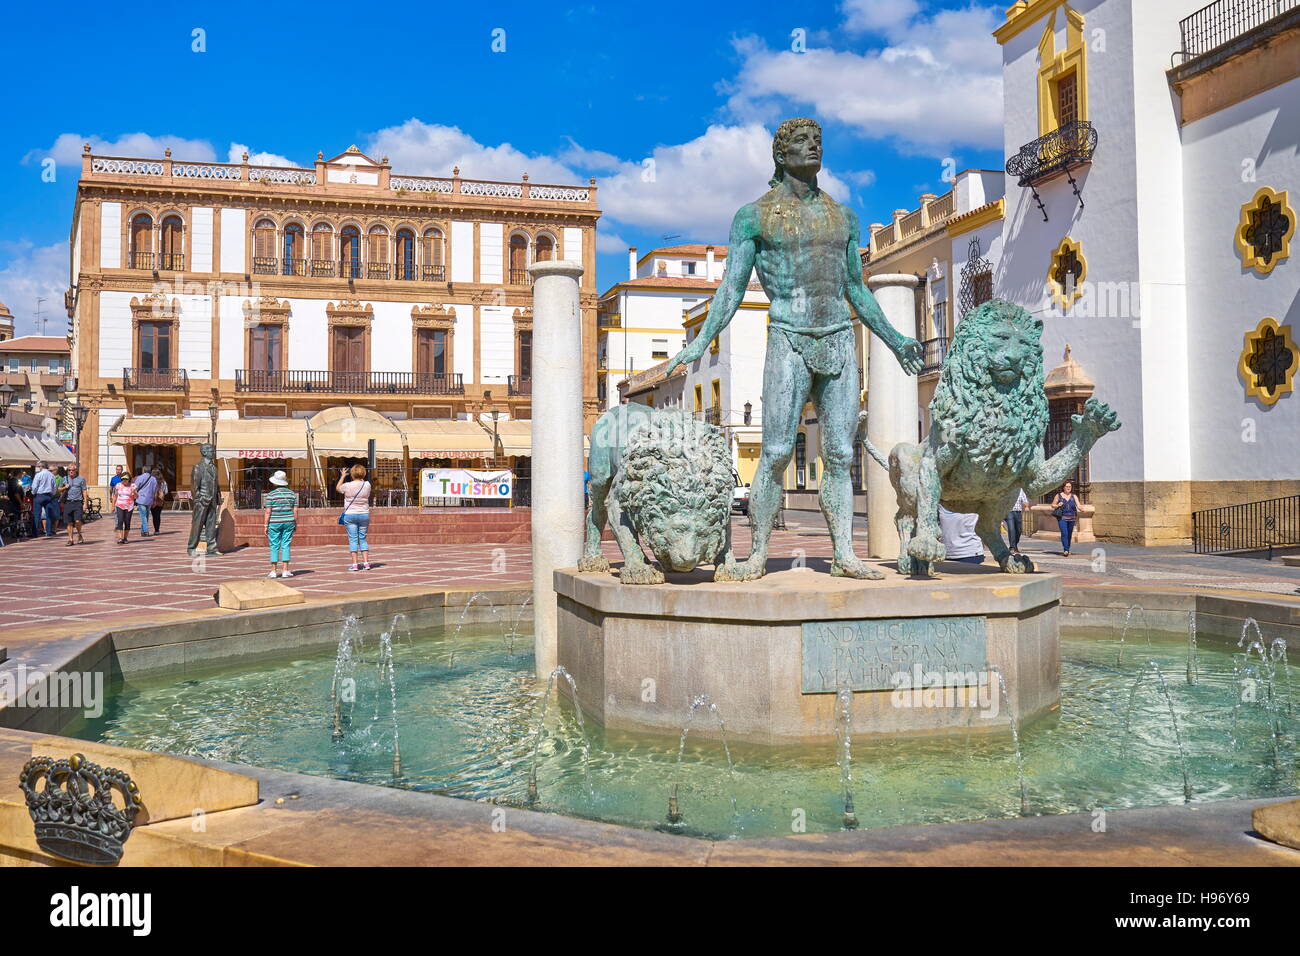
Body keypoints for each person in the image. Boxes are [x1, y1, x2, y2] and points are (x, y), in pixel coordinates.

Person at [663, 116, 923, 582]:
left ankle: (844, 553)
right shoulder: (754, 216)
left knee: (841, 455)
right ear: (781, 155)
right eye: (802, 142)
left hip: (840, 338)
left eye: (818, 141)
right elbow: (731, 290)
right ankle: (758, 554)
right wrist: (701, 343)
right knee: (778, 450)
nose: (813, 147)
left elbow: (856, 289)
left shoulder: (843, 216)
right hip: (788, 337)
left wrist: (895, 338)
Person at [336, 464, 372, 571]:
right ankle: (366, 563)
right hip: (364, 514)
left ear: (352, 474)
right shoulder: (367, 484)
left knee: (353, 539)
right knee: (362, 538)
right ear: (363, 473)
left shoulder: (347, 485)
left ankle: (355, 564)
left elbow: (338, 488)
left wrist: (342, 476)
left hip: (350, 514)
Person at [264, 470, 298, 578]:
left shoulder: (270, 495)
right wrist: (295, 523)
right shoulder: (292, 494)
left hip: (274, 523)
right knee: (286, 544)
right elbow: (295, 511)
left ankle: (273, 571)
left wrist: (265, 525)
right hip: (289, 521)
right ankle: (285, 570)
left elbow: (268, 511)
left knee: (274, 545)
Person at [1052, 479, 1080, 557]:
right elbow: (1052, 505)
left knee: (1069, 534)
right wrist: (1058, 505)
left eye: (1070, 486)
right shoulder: (1058, 495)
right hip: (1062, 518)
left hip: (1072, 518)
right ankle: (1066, 550)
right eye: (1067, 486)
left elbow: (1079, 505)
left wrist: (1081, 509)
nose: (1068, 488)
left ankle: (1067, 548)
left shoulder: (1074, 496)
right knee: (1064, 533)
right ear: (1063, 487)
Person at [29, 461, 57, 538]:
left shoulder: (38, 475)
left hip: (39, 495)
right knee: (49, 514)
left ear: (41, 466)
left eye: (38, 466)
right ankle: (48, 531)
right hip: (48, 496)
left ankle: (35, 533)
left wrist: (33, 493)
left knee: (36, 514)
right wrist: (52, 494)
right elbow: (54, 487)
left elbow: (34, 486)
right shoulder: (51, 475)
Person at [61, 464, 87, 545]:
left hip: (77, 502)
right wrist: (65, 487)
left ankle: (79, 534)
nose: (71, 471)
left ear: (76, 470)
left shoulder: (81, 479)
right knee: (69, 522)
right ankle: (70, 539)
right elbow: (59, 489)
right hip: (68, 502)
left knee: (78, 521)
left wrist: (85, 503)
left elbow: (84, 491)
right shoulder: (64, 479)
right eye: (69, 470)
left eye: (72, 470)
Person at [132, 467, 159, 537]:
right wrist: (155, 500)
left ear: (143, 471)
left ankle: (146, 530)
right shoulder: (153, 479)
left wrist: (134, 496)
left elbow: (135, 488)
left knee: (143, 516)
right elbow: (155, 491)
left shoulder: (140, 478)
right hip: (149, 499)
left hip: (141, 499)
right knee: (146, 515)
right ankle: (143, 531)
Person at [112, 471, 137, 544]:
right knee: (120, 521)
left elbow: (136, 497)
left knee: (127, 522)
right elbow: (115, 496)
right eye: (123, 479)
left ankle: (125, 538)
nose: (124, 480)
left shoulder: (133, 486)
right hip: (119, 505)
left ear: (129, 479)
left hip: (129, 506)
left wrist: (134, 492)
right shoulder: (118, 485)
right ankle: (120, 538)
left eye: (126, 479)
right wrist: (113, 506)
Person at [1006, 487, 1029, 554]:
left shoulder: (1020, 490)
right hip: (1009, 512)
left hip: (1018, 512)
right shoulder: (1007, 489)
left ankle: (1014, 545)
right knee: (1011, 529)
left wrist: (1026, 506)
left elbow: (1025, 500)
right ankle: (1012, 547)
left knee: (1019, 530)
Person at [150, 468, 167, 534]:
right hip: (160, 501)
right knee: (158, 515)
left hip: (153, 500)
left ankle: (155, 529)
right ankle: (157, 530)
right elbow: (166, 491)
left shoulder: (151, 481)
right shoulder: (163, 482)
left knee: (154, 515)